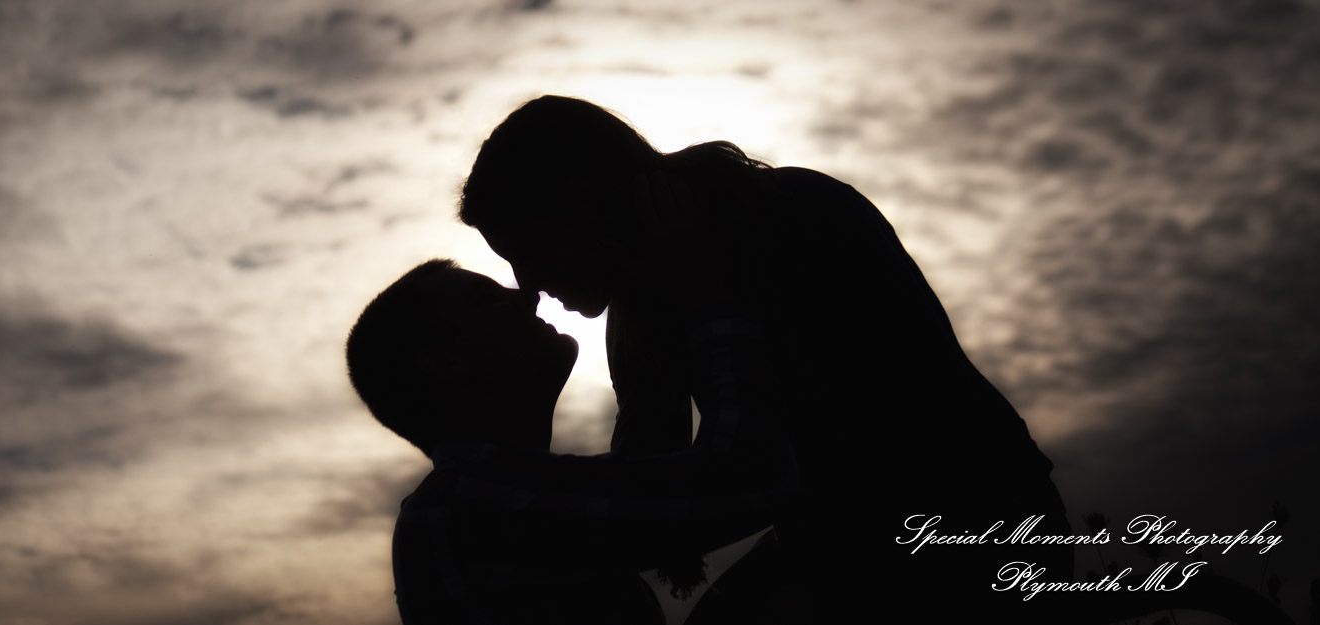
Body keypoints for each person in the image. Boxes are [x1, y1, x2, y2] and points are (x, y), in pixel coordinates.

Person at [458, 95, 1074, 622]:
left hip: (962, 527)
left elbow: (830, 455)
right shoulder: (644, 299)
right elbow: (652, 482)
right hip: (854, 538)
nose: (526, 285)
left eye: (525, 251)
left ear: (578, 205)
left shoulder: (790, 217)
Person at [345, 259, 796, 624]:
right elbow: (750, 474)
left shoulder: (478, 501)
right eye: (484, 299)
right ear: (442, 363)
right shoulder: (476, 501)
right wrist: (710, 293)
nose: (527, 295)